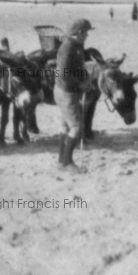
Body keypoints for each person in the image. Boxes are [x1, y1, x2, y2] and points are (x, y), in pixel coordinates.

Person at [55, 18, 94, 172]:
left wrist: (86, 79)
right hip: (66, 92)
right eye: (86, 32)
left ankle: (61, 161)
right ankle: (68, 164)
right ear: (79, 32)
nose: (87, 35)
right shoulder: (69, 46)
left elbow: (78, 67)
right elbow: (63, 73)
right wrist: (80, 84)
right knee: (76, 127)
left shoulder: (76, 46)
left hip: (67, 90)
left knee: (66, 126)